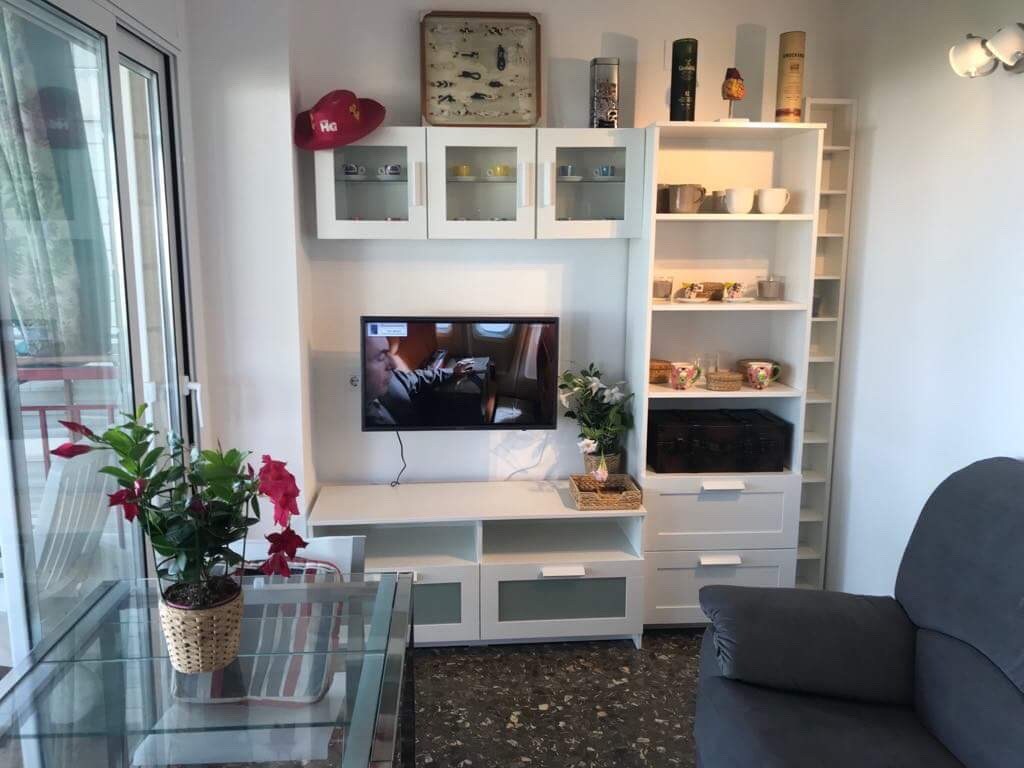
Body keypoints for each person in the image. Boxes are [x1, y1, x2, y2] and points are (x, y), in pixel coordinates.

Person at [364, 335, 473, 427]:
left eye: (388, 353)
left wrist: (452, 371)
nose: (394, 365)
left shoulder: (391, 379)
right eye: (381, 357)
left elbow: (417, 378)